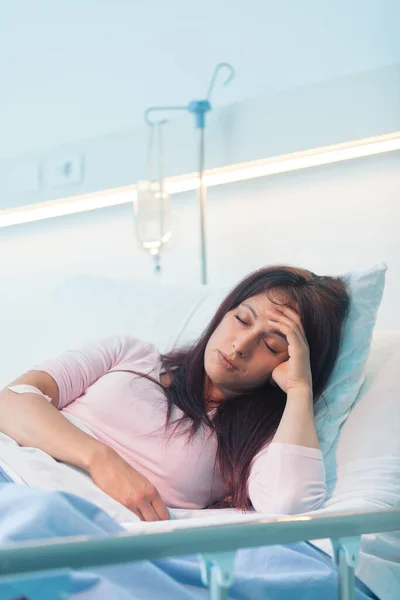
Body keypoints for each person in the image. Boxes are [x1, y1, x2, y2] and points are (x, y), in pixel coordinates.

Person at [0, 265, 350, 522]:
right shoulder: (131, 354)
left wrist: (300, 390)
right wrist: (100, 460)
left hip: (58, 520)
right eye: (242, 320)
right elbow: (11, 401)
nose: (241, 345)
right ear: (223, 313)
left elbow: (290, 504)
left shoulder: (250, 446)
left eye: (271, 345)